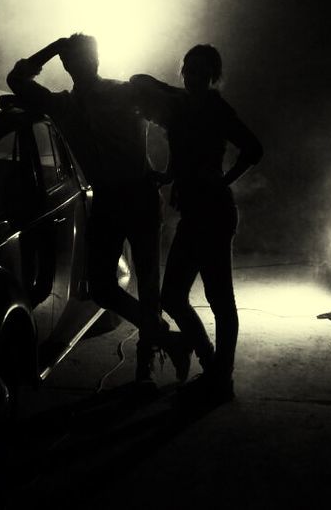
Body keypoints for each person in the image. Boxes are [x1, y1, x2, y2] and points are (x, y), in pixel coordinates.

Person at [7, 34, 188, 383]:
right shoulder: (70, 105)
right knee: (106, 287)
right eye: (77, 59)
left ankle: (146, 368)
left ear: (94, 60)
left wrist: (171, 172)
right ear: (74, 64)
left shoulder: (120, 93)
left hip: (135, 197)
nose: (84, 64)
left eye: (85, 58)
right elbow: (15, 82)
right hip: (114, 199)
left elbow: (178, 116)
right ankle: (166, 342)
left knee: (145, 285)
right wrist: (59, 47)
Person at [131, 44, 263, 405]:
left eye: (200, 72)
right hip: (193, 214)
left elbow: (254, 148)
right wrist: (169, 176)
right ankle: (208, 359)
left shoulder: (217, 109)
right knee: (172, 296)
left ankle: (222, 377)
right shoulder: (180, 107)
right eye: (187, 69)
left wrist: (223, 181)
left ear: (212, 77)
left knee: (220, 300)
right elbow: (179, 147)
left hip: (215, 214)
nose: (191, 77)